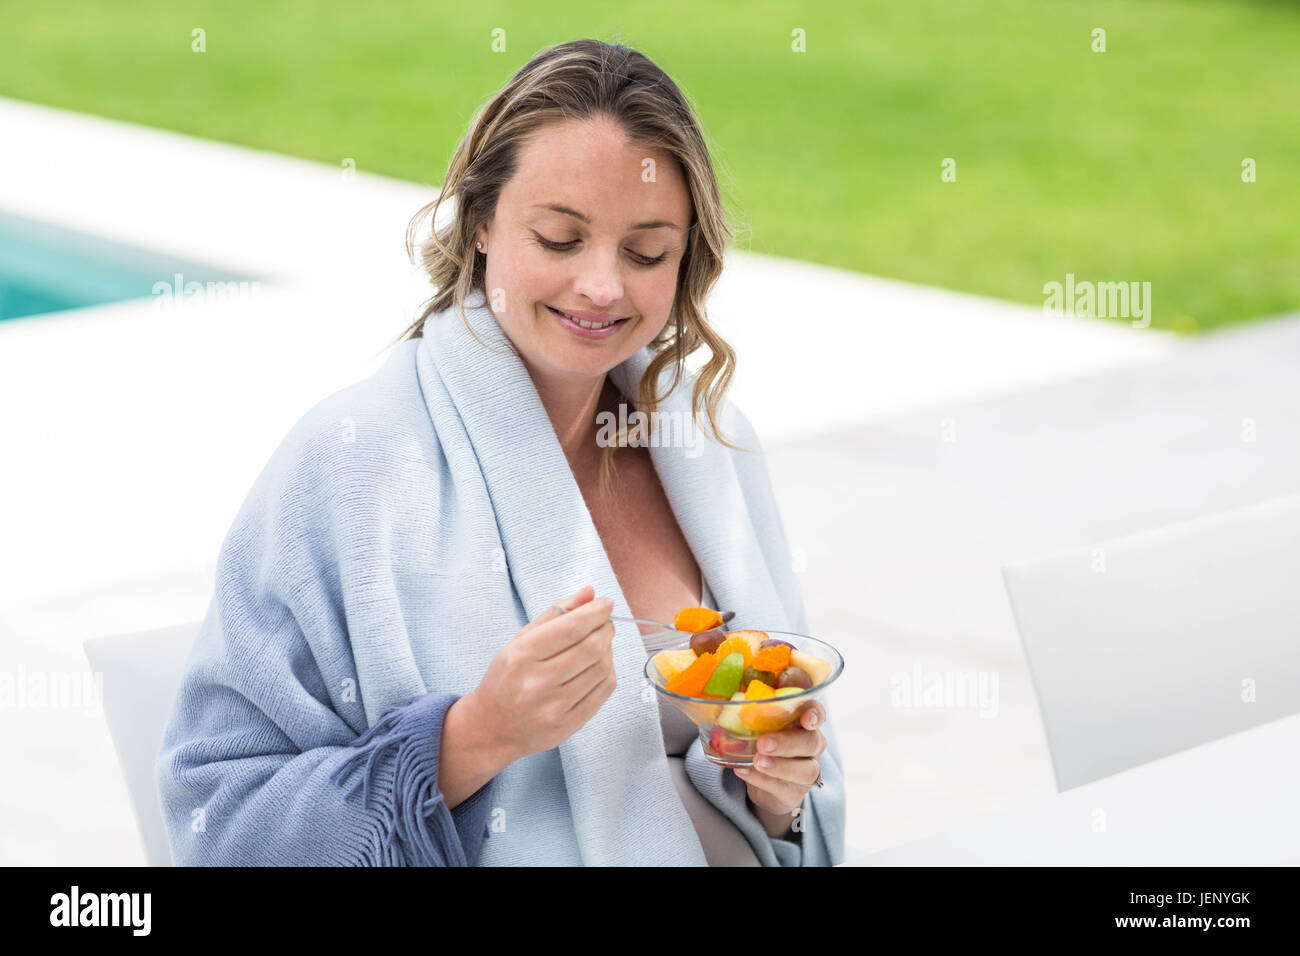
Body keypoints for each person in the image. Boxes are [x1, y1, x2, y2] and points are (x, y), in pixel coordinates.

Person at [157, 37, 845, 866]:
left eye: (647, 251)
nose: (602, 286)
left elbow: (787, 777)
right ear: (482, 224)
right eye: (559, 238)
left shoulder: (707, 442)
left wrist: (778, 793)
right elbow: (218, 815)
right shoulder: (352, 462)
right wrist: (472, 738)